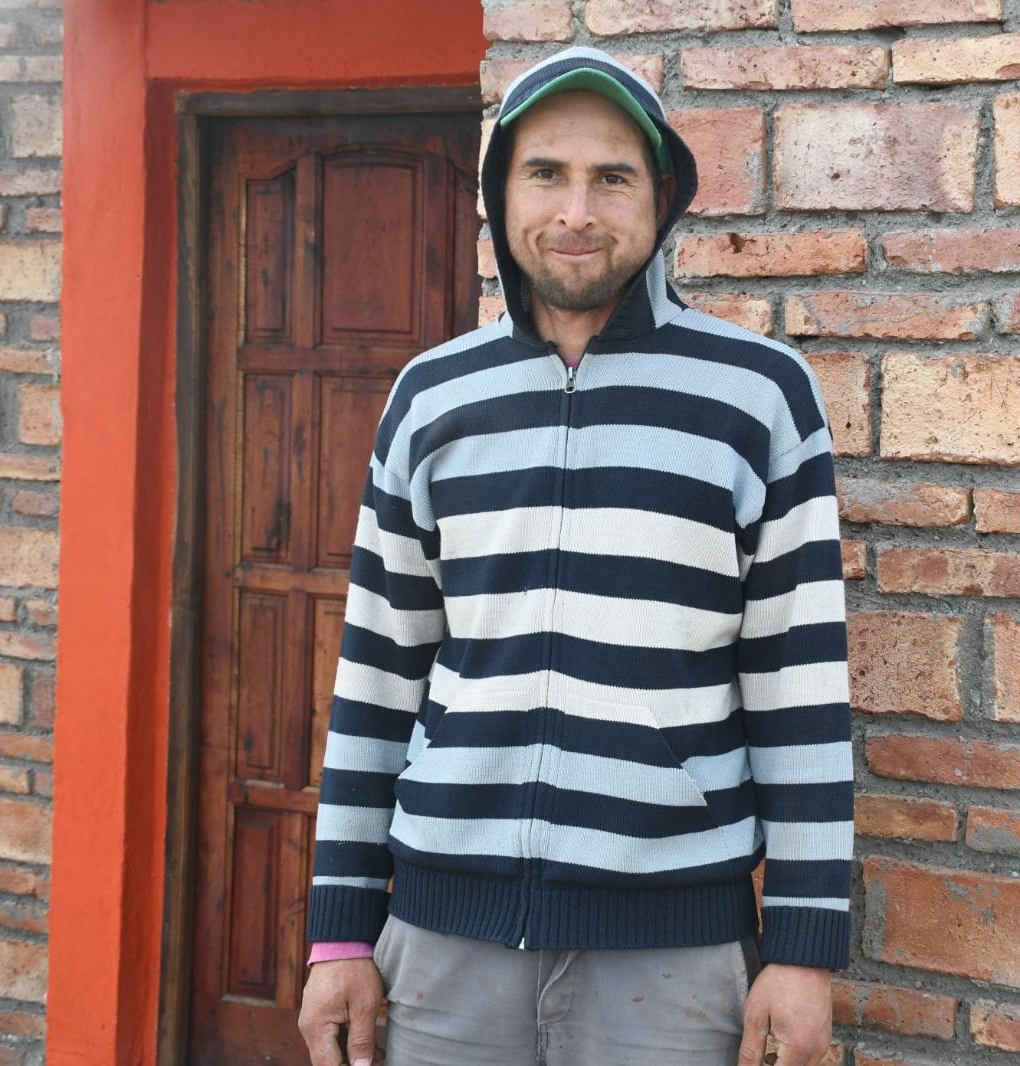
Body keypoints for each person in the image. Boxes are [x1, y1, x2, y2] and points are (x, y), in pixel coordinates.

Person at [296, 45, 853, 1066]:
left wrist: (804, 950)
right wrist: (338, 932)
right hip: (441, 946)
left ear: (663, 197)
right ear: (499, 194)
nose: (576, 211)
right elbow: (376, 678)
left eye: (613, 177)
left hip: (674, 960)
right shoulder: (431, 399)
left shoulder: (760, 398)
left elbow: (800, 690)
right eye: (546, 173)